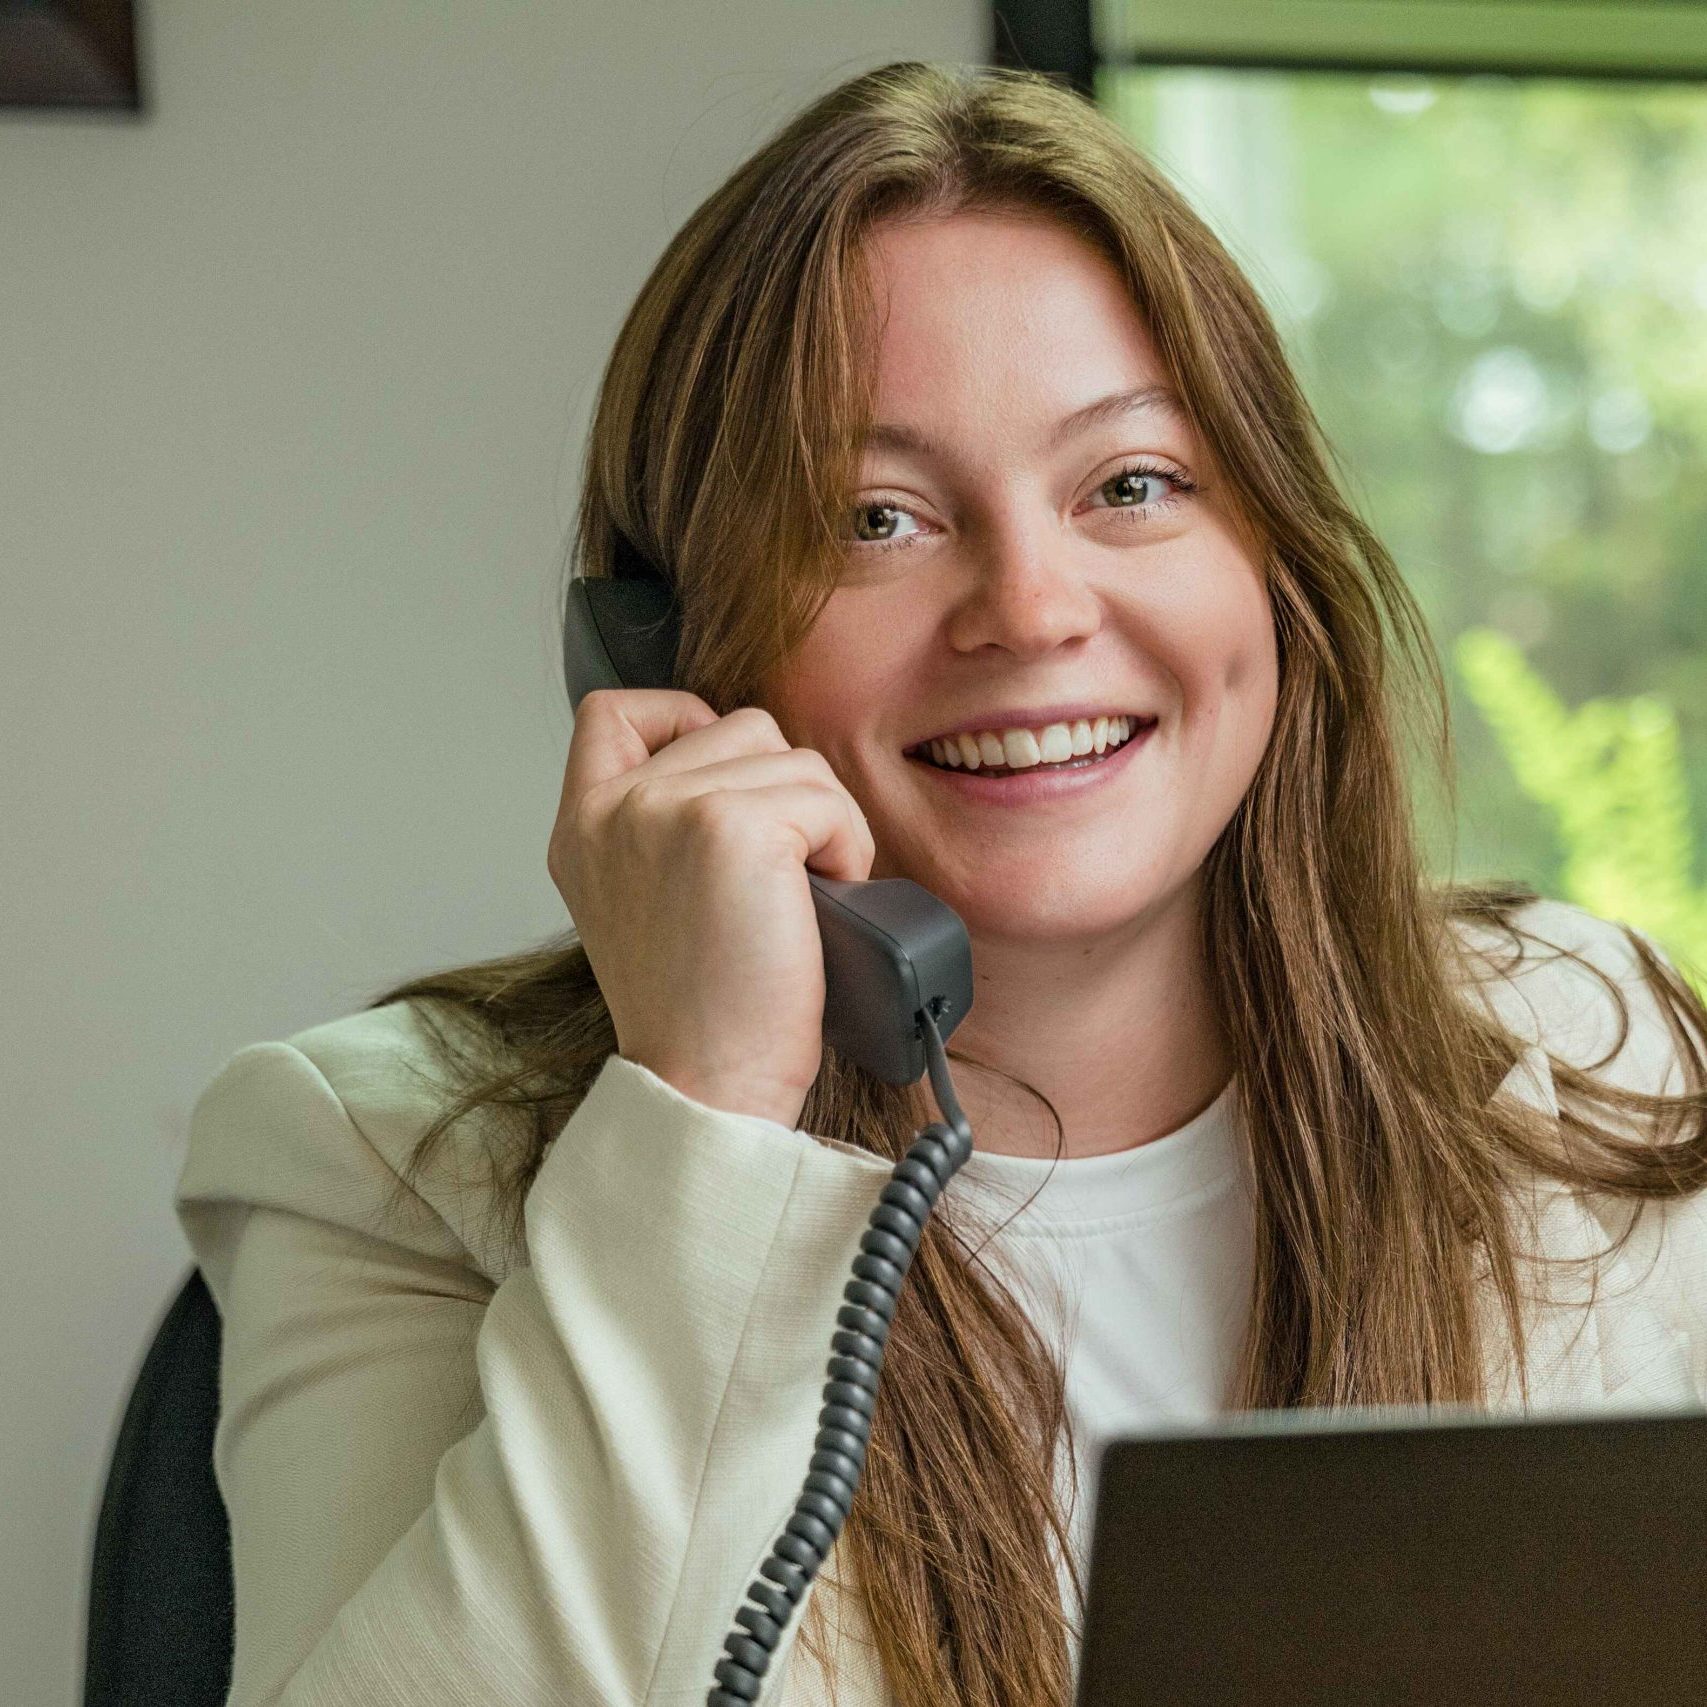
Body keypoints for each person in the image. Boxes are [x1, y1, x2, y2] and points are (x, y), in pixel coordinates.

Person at [174, 60, 1707, 1707]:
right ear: (664, 648)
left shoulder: (1592, 1043)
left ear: (1274, 566)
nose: (1032, 610)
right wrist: (702, 1119)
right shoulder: (380, 1166)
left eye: (1132, 486)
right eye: (877, 519)